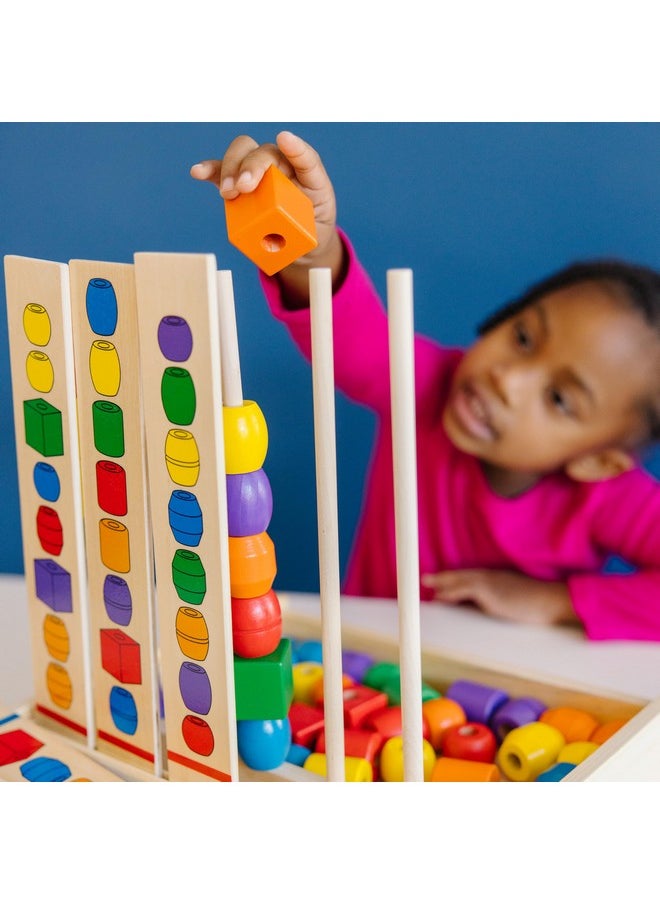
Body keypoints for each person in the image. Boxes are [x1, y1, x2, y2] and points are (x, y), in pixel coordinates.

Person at [191, 130, 660, 642]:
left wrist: (559, 602)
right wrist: (307, 245)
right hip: (366, 662)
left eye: (559, 398)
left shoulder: (611, 499)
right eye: (524, 337)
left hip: (512, 693)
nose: (508, 378)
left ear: (599, 461)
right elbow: (348, 335)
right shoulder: (424, 385)